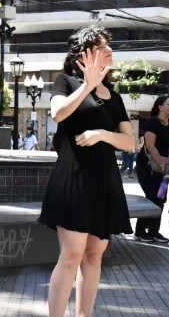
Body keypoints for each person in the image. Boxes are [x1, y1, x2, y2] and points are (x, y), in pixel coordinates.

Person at [37, 26, 134, 317]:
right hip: (74, 177)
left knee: (94, 256)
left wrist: (102, 134)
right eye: (102, 46)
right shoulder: (65, 82)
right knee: (72, 256)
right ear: (85, 54)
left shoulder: (115, 97)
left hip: (105, 181)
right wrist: (87, 86)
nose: (109, 50)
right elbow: (58, 113)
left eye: (108, 46)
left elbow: (129, 142)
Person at [134, 95, 169, 243]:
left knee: (161, 198)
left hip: (163, 167)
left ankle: (154, 231)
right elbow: (150, 146)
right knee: (152, 196)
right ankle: (140, 231)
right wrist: (161, 163)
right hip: (148, 166)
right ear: (160, 107)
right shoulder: (152, 122)